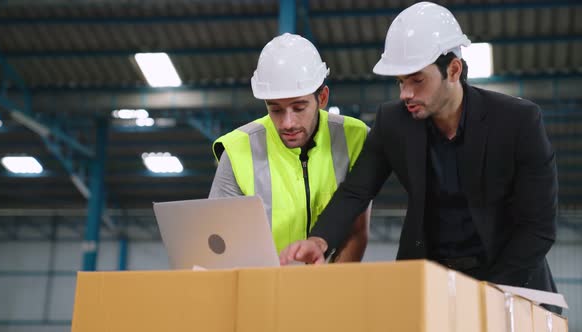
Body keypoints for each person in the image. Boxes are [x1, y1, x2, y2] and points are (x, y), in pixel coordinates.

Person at [280, 2, 560, 304]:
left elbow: (539, 227)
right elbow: (355, 192)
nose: (405, 94)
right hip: (432, 281)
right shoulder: (393, 122)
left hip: (510, 280)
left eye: (417, 80)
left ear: (453, 70)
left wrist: (491, 294)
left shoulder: (517, 121)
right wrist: (318, 240)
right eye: (400, 82)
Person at [209, 33, 371, 262]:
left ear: (322, 97)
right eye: (275, 109)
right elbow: (218, 243)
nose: (288, 123)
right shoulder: (237, 150)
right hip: (262, 288)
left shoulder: (354, 138)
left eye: (299, 107)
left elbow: (356, 231)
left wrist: (335, 289)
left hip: (330, 282)